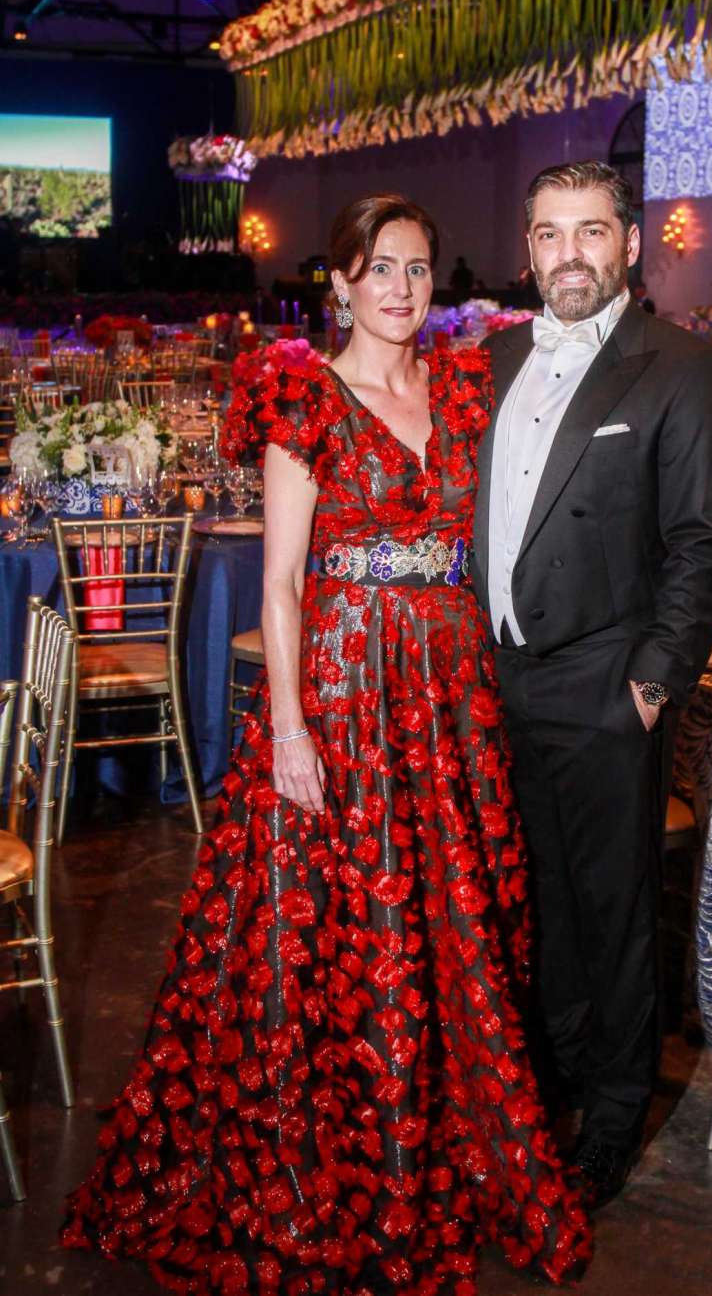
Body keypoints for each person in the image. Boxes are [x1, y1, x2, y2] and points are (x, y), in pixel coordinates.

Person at [62, 194, 591, 1294]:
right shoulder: (301, 393)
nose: (401, 289)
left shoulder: (459, 384)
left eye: (417, 270)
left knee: (455, 914)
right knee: (342, 922)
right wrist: (289, 727)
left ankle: (446, 1149)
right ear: (339, 283)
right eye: (380, 269)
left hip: (448, 690)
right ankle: (341, 1160)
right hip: (347, 692)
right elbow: (282, 584)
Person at [472, 160, 712, 1210]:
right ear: (528, 249)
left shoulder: (679, 369)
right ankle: (549, 1085)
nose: (569, 254)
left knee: (616, 910)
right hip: (502, 677)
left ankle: (615, 1115)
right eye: (549, 234)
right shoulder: (498, 358)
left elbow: (705, 544)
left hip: (604, 682)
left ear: (629, 244)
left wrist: (650, 684)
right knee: (535, 897)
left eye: (590, 231)